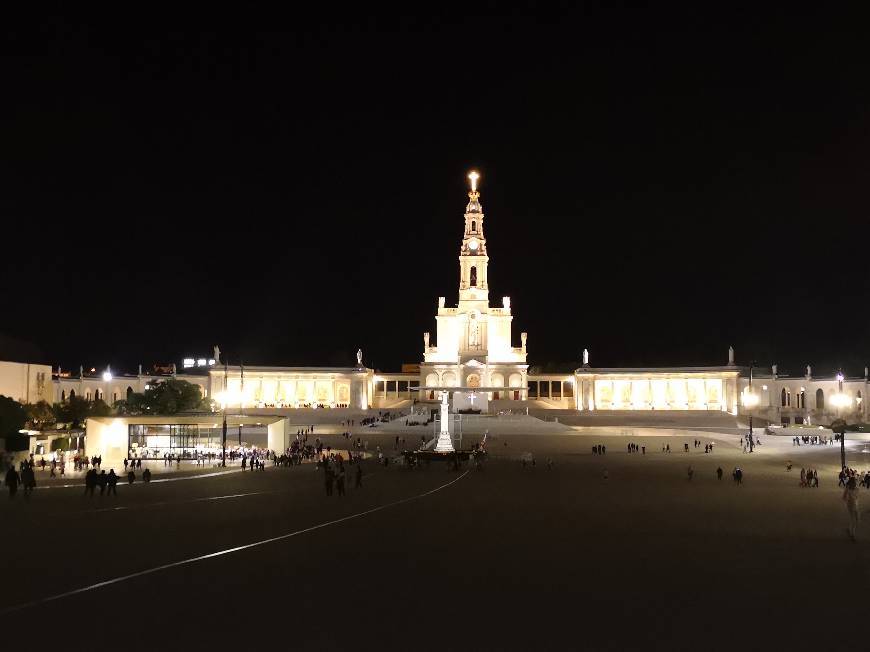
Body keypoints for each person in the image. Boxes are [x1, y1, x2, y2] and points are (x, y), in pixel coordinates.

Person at [844, 475, 860, 541]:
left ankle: (850, 529)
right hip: (851, 505)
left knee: (857, 519)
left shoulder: (857, 488)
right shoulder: (848, 489)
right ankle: (852, 534)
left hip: (855, 505)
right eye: (854, 482)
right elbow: (844, 497)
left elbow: (857, 496)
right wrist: (848, 500)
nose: (855, 483)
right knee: (853, 520)